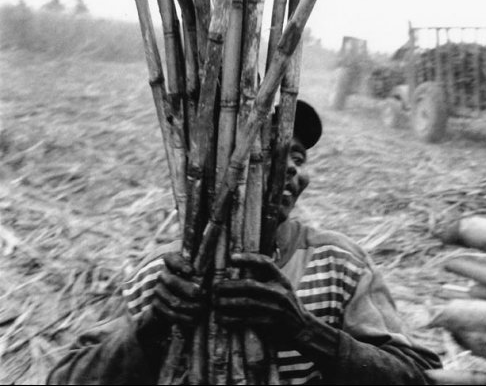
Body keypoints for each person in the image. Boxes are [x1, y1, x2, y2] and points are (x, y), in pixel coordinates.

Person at [47, 100, 442, 385]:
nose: (291, 168)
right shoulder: (166, 274)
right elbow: (66, 378)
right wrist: (153, 327)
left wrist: (304, 330)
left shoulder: (338, 264)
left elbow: (419, 376)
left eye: (300, 158)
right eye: (270, 153)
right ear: (225, 165)